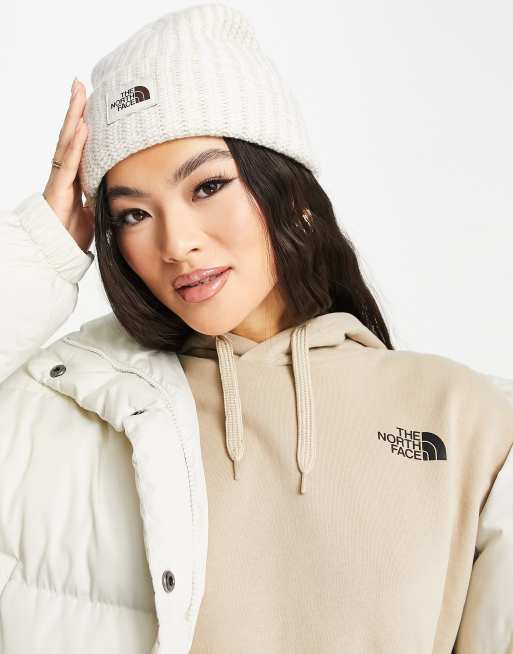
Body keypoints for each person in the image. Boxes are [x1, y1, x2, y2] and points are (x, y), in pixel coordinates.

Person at [0, 4, 512, 653]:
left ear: (288, 190)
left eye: (207, 186)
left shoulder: (470, 419)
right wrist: (38, 254)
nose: (176, 243)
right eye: (132, 215)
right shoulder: (54, 410)